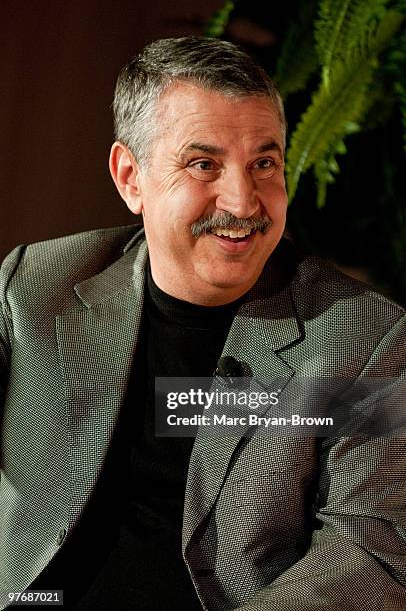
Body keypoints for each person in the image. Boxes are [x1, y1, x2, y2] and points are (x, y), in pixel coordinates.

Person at [0, 36, 405, 611]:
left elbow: (371, 548)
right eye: (203, 164)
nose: (242, 202)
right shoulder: (38, 284)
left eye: (264, 163)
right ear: (130, 178)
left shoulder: (361, 336)